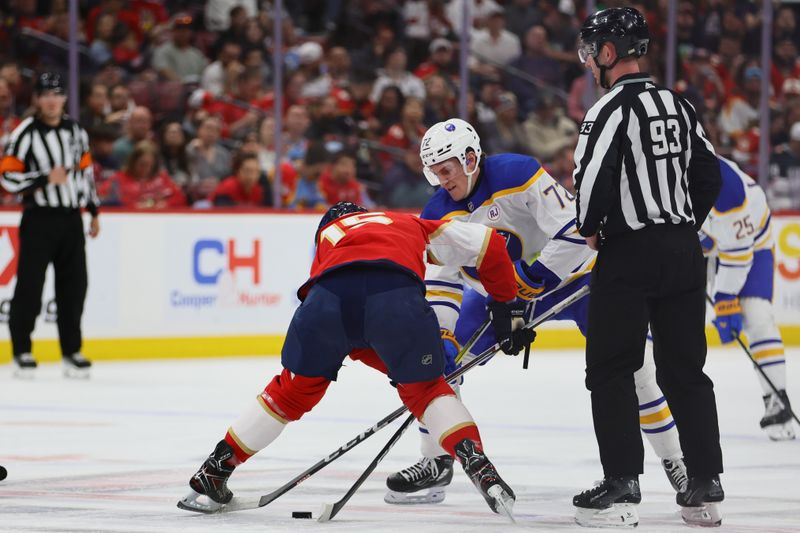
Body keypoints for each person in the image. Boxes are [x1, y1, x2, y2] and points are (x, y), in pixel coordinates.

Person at [384, 117, 688, 506]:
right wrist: (441, 333)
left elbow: (577, 229)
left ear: (471, 157)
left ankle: (675, 460)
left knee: (636, 368)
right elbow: (443, 283)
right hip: (499, 296)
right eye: (435, 173)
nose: (442, 180)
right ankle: (437, 461)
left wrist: (536, 277)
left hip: (573, 282)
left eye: (447, 170)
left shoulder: (519, 173)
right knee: (438, 364)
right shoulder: (438, 212)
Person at [178, 202, 535, 518]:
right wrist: (504, 307)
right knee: (428, 391)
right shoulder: (407, 222)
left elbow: (351, 319)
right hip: (396, 300)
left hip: (327, 302)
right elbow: (489, 245)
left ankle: (214, 471)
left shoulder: (329, 235)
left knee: (289, 393)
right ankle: (476, 462)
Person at [571, 8, 723, 527]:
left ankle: (623, 480)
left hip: (629, 254)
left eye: (593, 50)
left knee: (611, 368)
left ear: (609, 53)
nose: (590, 61)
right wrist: (679, 225)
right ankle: (706, 478)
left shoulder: (608, 109)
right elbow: (709, 175)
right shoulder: (678, 104)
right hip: (684, 251)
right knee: (685, 370)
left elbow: (592, 181)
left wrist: (591, 227)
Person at [0, 72, 100, 378]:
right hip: (40, 218)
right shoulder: (25, 133)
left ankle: (71, 351)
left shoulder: (75, 131)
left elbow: (86, 172)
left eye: (56, 94)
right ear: (37, 99)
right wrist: (43, 179)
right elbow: (6, 176)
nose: (52, 100)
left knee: (75, 286)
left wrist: (93, 210)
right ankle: (22, 350)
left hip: (71, 218)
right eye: (45, 95)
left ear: (64, 98)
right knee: (30, 286)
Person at [702, 156, 795, 441]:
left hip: (753, 243)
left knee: (757, 314)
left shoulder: (729, 189)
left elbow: (738, 252)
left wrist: (726, 299)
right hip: (707, 242)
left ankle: (776, 397)